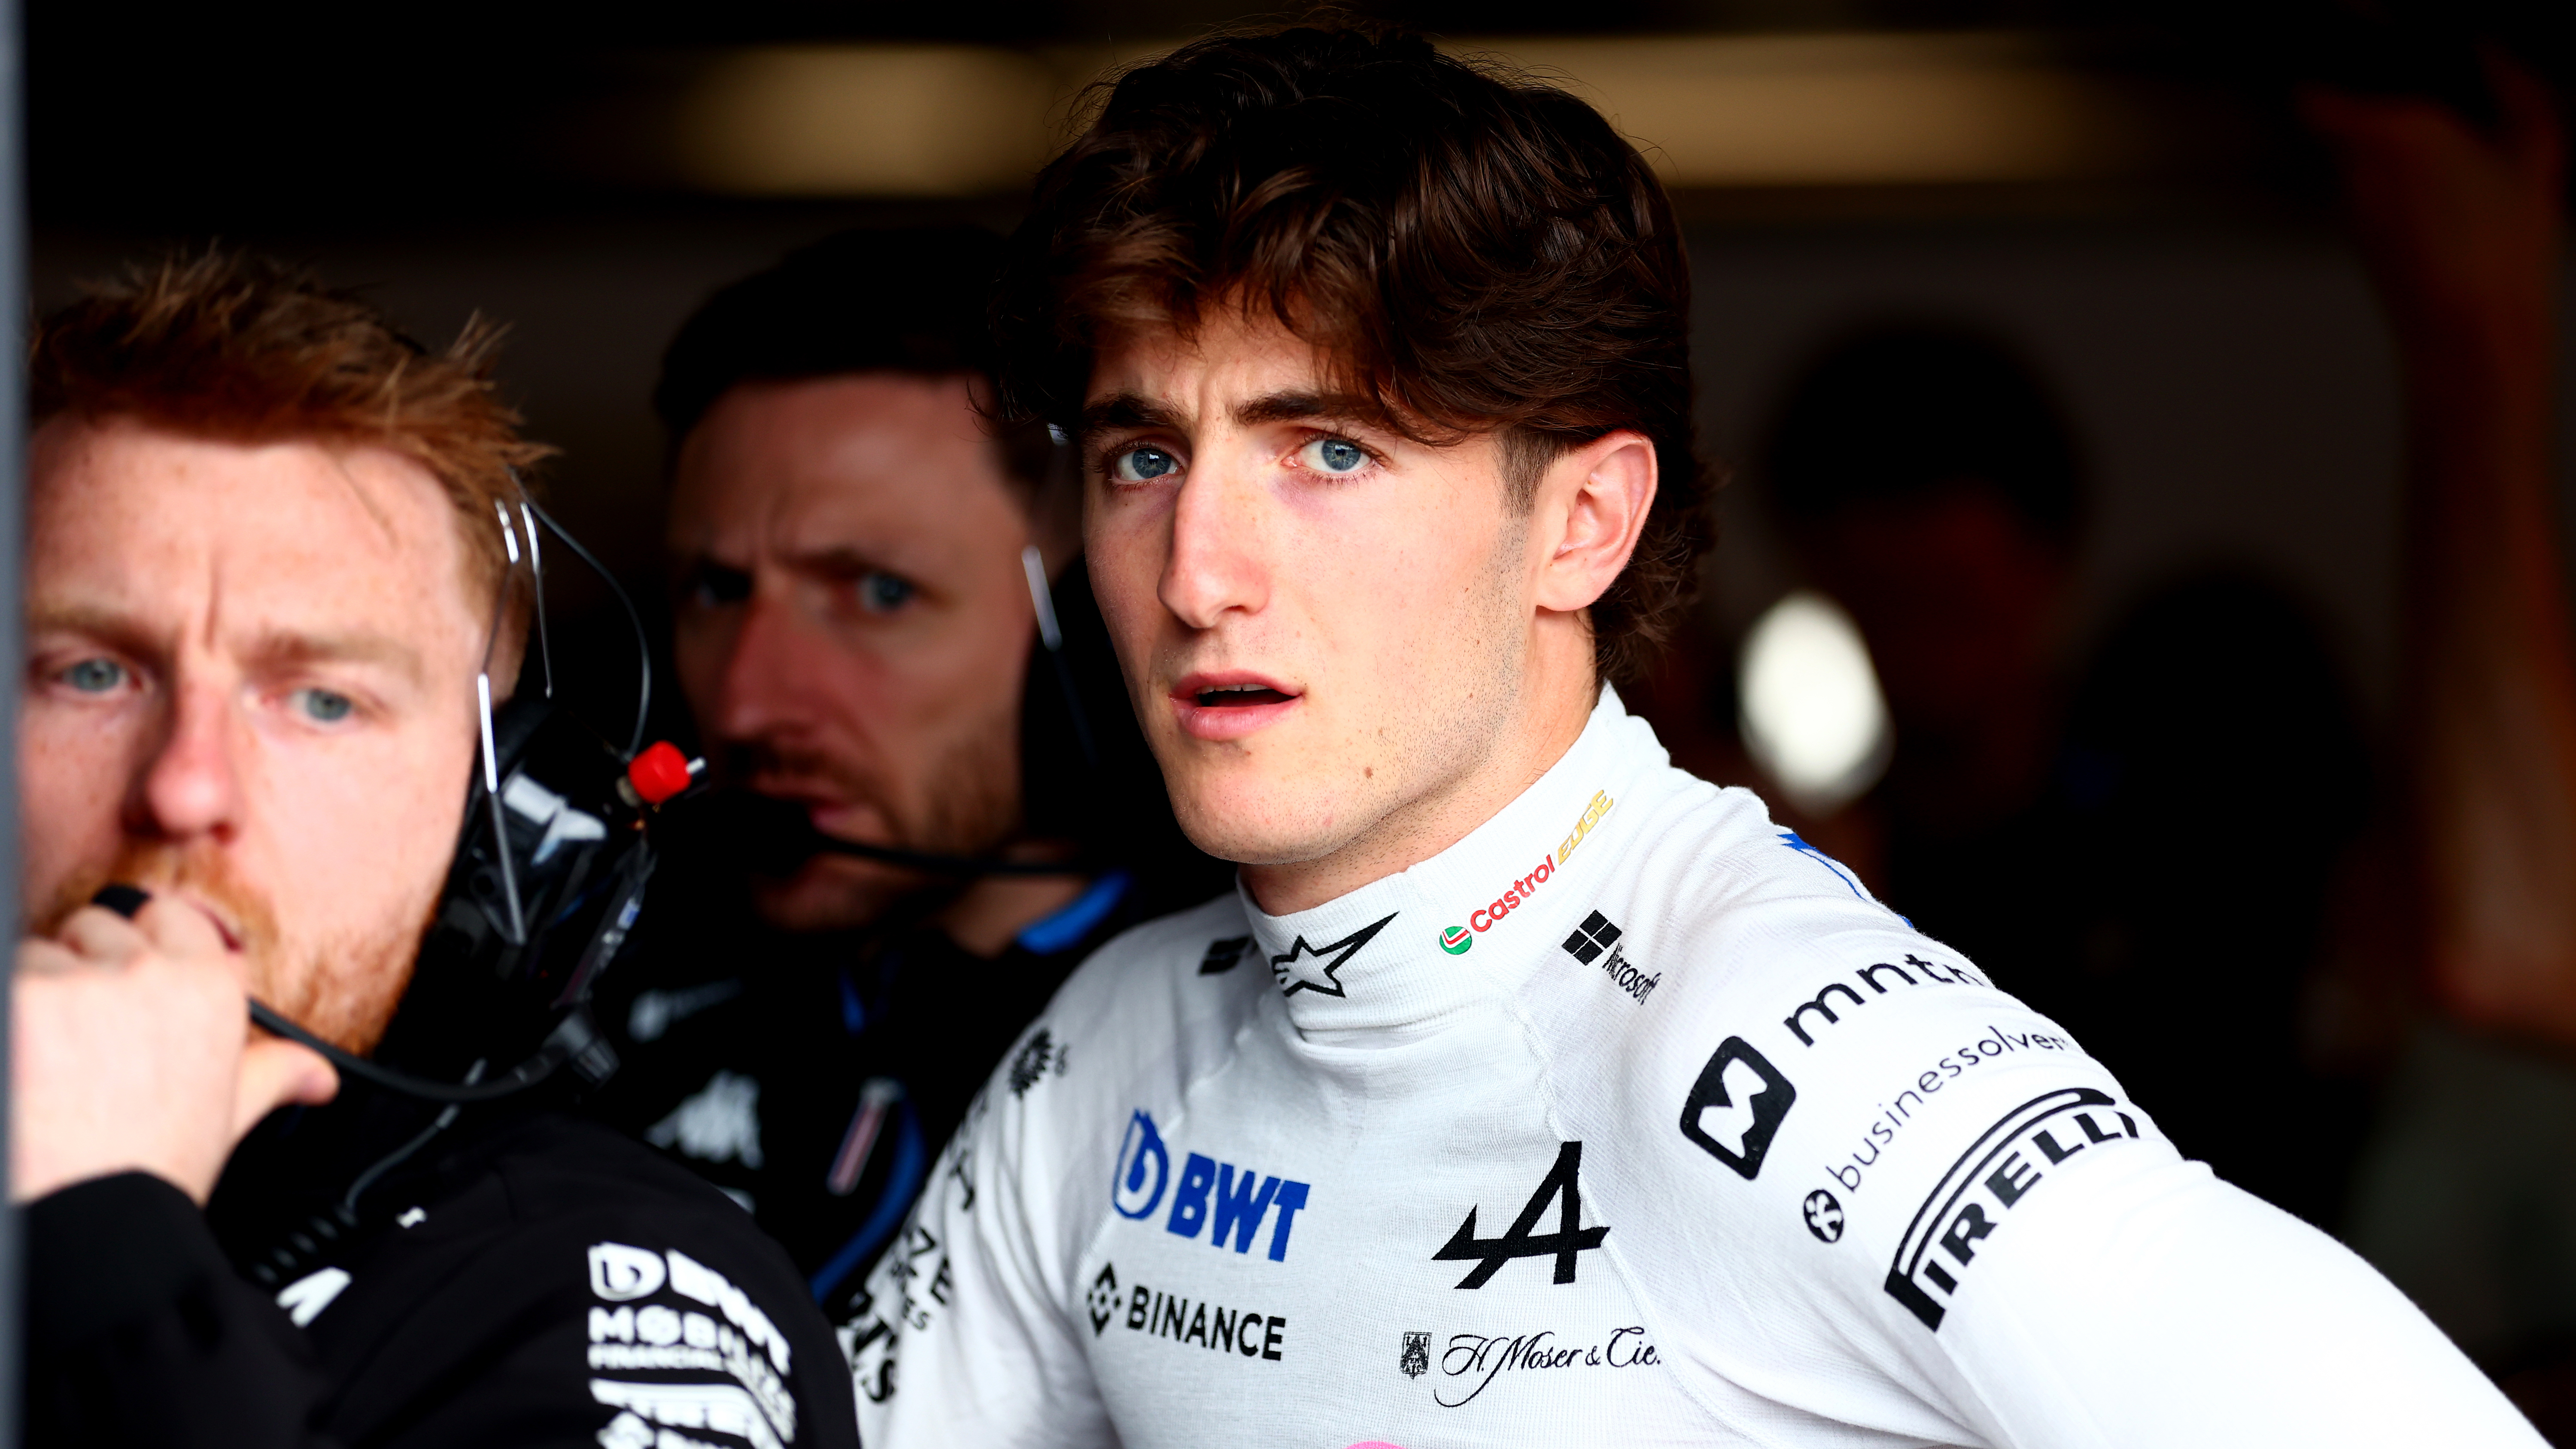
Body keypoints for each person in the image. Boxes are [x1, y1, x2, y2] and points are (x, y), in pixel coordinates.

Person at [840, 24, 2544, 1446]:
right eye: (1144, 454)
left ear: (1583, 523)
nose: (1199, 573)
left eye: (1329, 451)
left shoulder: (1811, 1065)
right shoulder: (1116, 1047)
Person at [12, 252, 860, 1449]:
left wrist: (101, 1242)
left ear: (490, 810)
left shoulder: (625, 1295)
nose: (184, 787)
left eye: (319, 701)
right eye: (90, 672)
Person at [586, 228, 1227, 1320]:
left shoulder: (1233, 1050)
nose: (746, 702)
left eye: (877, 592)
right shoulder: (585, 991)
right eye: (716, 591)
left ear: (1081, 622)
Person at [1752, 323, 2376, 1230]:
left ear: (2049, 569)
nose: (1913, 649)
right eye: (1878, 603)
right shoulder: (1806, 872)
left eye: (1950, 600)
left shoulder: (2196, 832)